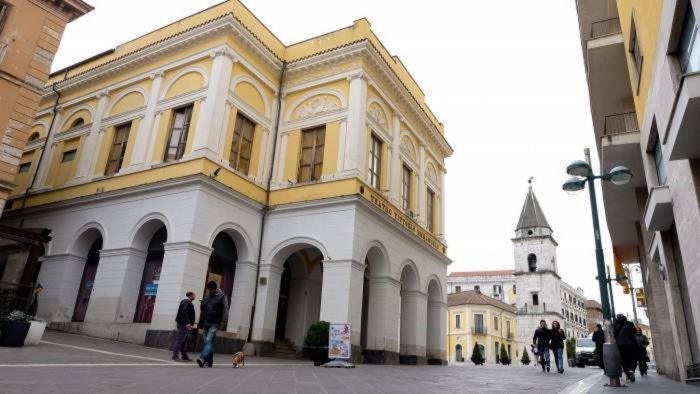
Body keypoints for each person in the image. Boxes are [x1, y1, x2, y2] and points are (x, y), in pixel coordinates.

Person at [197, 281, 228, 368]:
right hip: (206, 321)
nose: (210, 291)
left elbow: (225, 310)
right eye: (209, 290)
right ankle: (209, 362)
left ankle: (203, 358)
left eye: (212, 290)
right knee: (207, 342)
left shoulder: (222, 296)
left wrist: (224, 322)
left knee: (209, 341)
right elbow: (203, 308)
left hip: (215, 322)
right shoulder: (207, 295)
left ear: (215, 288)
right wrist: (202, 304)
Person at [171, 291, 195, 362]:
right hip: (183, 324)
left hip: (184, 323)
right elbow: (184, 312)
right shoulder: (186, 301)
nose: (195, 297)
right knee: (180, 340)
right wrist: (187, 323)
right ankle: (175, 355)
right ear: (190, 295)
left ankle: (184, 356)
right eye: (194, 295)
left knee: (184, 341)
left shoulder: (187, 302)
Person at [613, 314, 638, 382]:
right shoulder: (630, 324)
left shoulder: (616, 325)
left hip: (621, 345)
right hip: (631, 344)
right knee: (632, 358)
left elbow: (615, 335)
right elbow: (635, 332)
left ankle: (628, 373)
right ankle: (632, 370)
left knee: (624, 360)